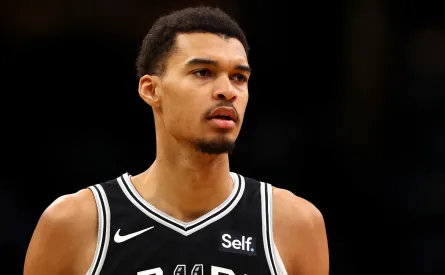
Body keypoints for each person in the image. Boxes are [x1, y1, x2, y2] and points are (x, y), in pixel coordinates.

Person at [24, 6, 329, 275]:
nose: (227, 91)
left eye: (239, 77)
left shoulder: (294, 223)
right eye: (203, 72)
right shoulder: (74, 223)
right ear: (151, 90)